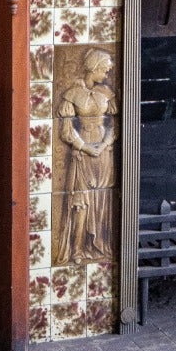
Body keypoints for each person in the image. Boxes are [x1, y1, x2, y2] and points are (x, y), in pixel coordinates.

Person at [56, 48, 118, 264]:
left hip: (104, 154)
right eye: (105, 70)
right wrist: (85, 147)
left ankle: (99, 245)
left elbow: (115, 126)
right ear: (94, 68)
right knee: (81, 204)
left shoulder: (107, 94)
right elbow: (66, 131)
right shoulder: (72, 94)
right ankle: (77, 250)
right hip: (83, 154)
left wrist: (105, 144)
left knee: (101, 200)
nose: (107, 75)